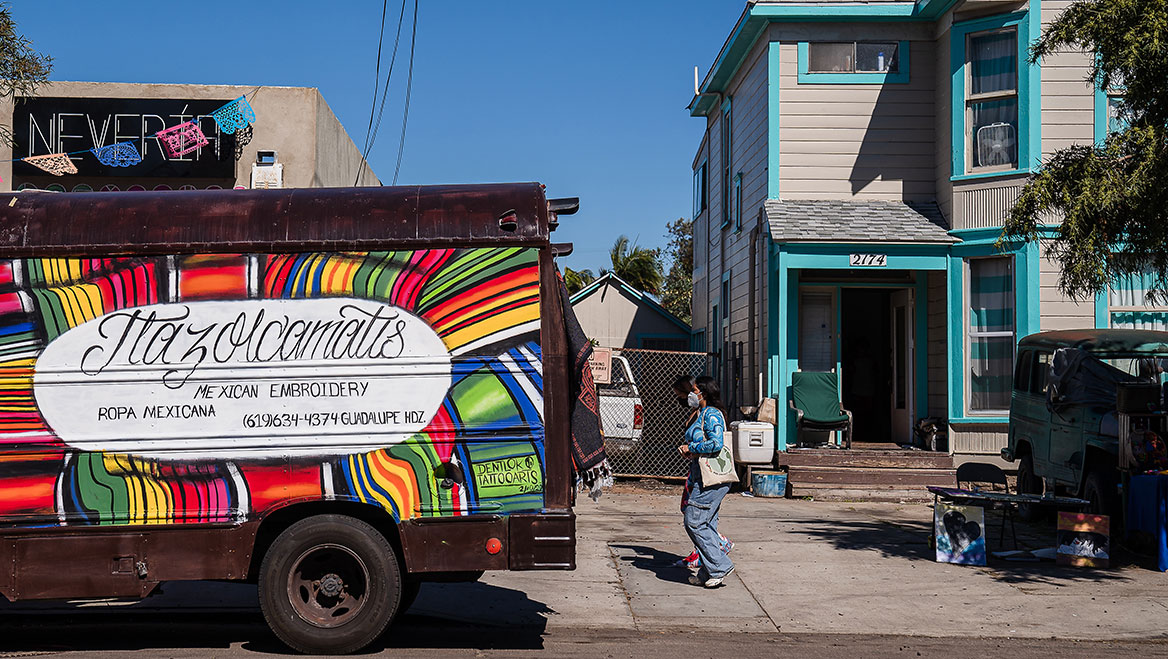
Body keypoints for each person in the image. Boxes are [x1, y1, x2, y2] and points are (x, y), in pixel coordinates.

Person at [670, 375, 734, 569]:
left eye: (694, 391)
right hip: (698, 472)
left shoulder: (712, 414)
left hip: (710, 476)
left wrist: (691, 448)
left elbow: (716, 443)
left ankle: (719, 564)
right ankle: (709, 569)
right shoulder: (701, 413)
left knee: (694, 521)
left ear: (704, 392)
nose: (690, 395)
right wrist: (692, 452)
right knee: (704, 521)